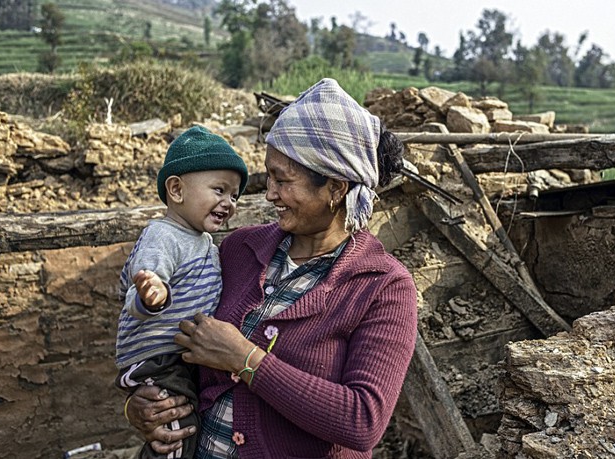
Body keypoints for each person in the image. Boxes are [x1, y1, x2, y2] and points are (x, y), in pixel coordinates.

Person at [124, 78, 419, 459]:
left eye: (283, 180)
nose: (269, 193)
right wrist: (141, 404)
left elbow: (363, 421)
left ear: (335, 187)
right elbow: (171, 335)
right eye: (269, 176)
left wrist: (245, 359)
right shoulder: (239, 250)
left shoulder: (383, 286)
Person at [116, 125, 249, 459]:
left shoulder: (202, 240)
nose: (229, 203)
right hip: (158, 359)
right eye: (219, 190)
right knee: (175, 426)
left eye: (234, 195)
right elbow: (135, 293)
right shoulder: (163, 237)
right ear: (176, 189)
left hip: (179, 355)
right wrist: (152, 295)